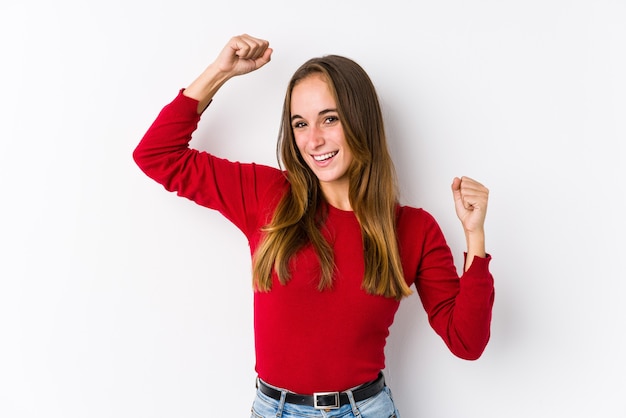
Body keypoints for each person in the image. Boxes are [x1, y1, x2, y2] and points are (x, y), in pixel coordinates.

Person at [133, 33, 494, 418]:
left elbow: (466, 342)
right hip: (273, 409)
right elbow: (156, 154)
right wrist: (219, 73)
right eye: (300, 123)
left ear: (360, 121)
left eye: (330, 119)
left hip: (365, 410)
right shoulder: (268, 195)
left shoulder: (412, 228)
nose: (314, 139)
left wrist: (475, 236)